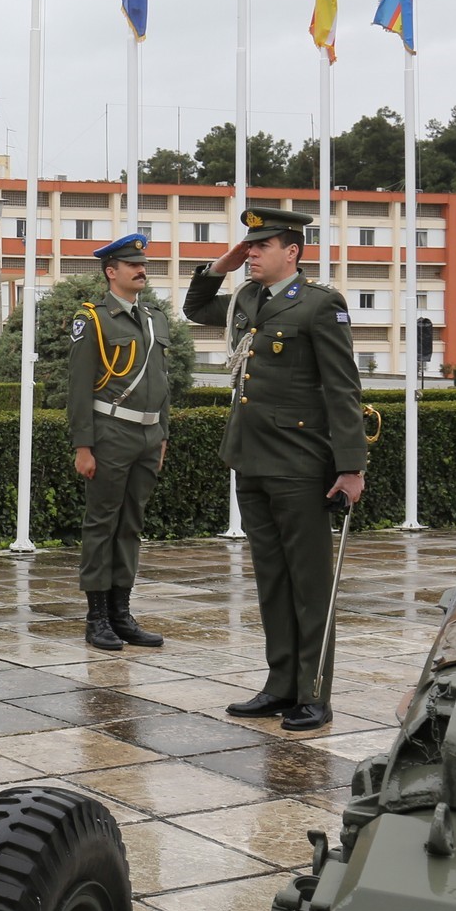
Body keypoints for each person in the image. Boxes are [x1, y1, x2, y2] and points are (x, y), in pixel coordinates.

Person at [182, 206, 367, 732]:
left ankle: (312, 693)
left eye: (261, 246)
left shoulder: (319, 305)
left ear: (293, 251)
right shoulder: (246, 299)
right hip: (250, 457)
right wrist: (225, 261)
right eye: (249, 246)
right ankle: (279, 683)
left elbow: (342, 388)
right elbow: (196, 306)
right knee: (271, 581)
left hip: (300, 462)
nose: (252, 254)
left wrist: (350, 467)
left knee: (309, 584)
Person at [68, 232, 170, 652]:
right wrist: (83, 446)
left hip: (148, 435)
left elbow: (163, 383)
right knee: (102, 524)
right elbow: (78, 388)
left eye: (142, 265)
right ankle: (97, 617)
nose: (141, 270)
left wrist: (162, 434)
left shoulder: (155, 319)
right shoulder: (92, 318)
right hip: (110, 432)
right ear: (112, 272)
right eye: (132, 265)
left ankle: (121, 613)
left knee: (130, 526)